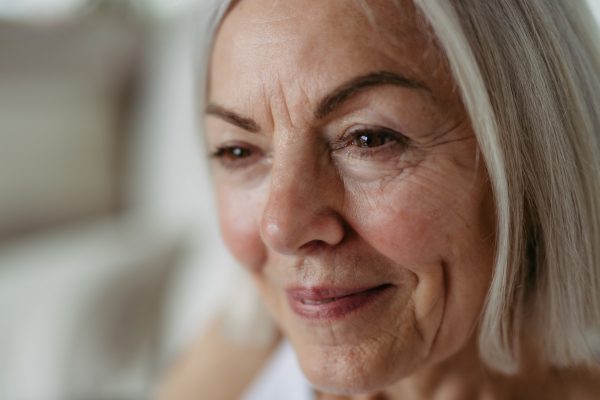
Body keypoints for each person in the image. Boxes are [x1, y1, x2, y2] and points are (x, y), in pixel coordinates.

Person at [157, 0, 600, 398]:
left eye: (368, 139)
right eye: (239, 151)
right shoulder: (239, 352)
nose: (281, 228)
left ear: (534, 152)